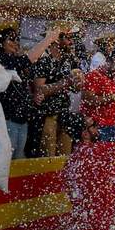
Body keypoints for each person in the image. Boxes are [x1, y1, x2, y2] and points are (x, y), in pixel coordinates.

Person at [0, 21, 60, 159]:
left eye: (16, 39)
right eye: (11, 39)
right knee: (8, 160)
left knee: (18, 158)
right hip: (7, 120)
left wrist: (33, 96)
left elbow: (21, 86)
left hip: (21, 119)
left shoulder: (12, 60)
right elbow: (28, 59)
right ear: (0, 42)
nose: (15, 43)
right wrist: (49, 38)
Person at [62, 114, 115, 230]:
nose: (97, 129)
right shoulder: (100, 152)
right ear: (85, 133)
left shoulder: (71, 160)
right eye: (94, 127)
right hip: (99, 229)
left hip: (77, 229)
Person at [32, 21, 82, 157]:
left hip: (65, 114)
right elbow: (39, 90)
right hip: (48, 116)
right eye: (68, 37)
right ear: (56, 39)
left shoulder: (69, 59)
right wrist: (65, 83)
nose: (71, 41)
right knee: (48, 157)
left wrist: (78, 83)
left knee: (64, 158)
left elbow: (75, 88)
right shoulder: (44, 59)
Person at [81, 51, 115, 142]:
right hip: (98, 128)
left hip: (112, 127)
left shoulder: (112, 79)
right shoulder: (93, 76)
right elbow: (88, 100)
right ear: (109, 62)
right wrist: (90, 127)